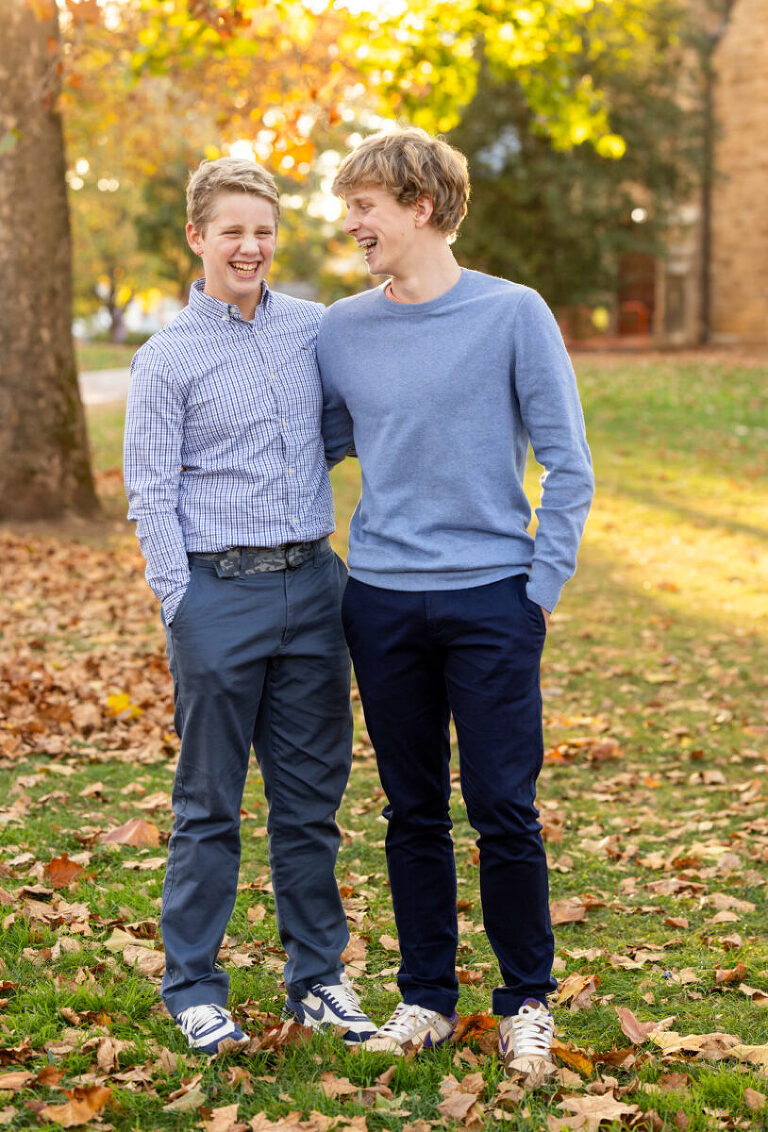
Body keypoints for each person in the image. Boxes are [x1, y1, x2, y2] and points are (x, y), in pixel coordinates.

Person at [318, 128, 594, 1075]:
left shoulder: (513, 314)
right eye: (347, 205)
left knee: (503, 806)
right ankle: (427, 997)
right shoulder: (342, 330)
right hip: (382, 602)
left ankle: (525, 1000)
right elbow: (312, 448)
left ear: (421, 207)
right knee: (411, 810)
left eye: (364, 205)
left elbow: (570, 465)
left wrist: (537, 593)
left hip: (491, 600)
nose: (348, 222)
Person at [123, 156, 375, 1056]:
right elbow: (150, 490)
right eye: (232, 230)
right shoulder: (165, 359)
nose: (250, 246)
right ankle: (193, 983)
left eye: (263, 230)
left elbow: (346, 427)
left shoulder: (314, 329)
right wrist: (178, 601)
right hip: (215, 593)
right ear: (197, 238)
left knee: (311, 805)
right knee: (209, 805)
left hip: (314, 589)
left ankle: (319, 980)